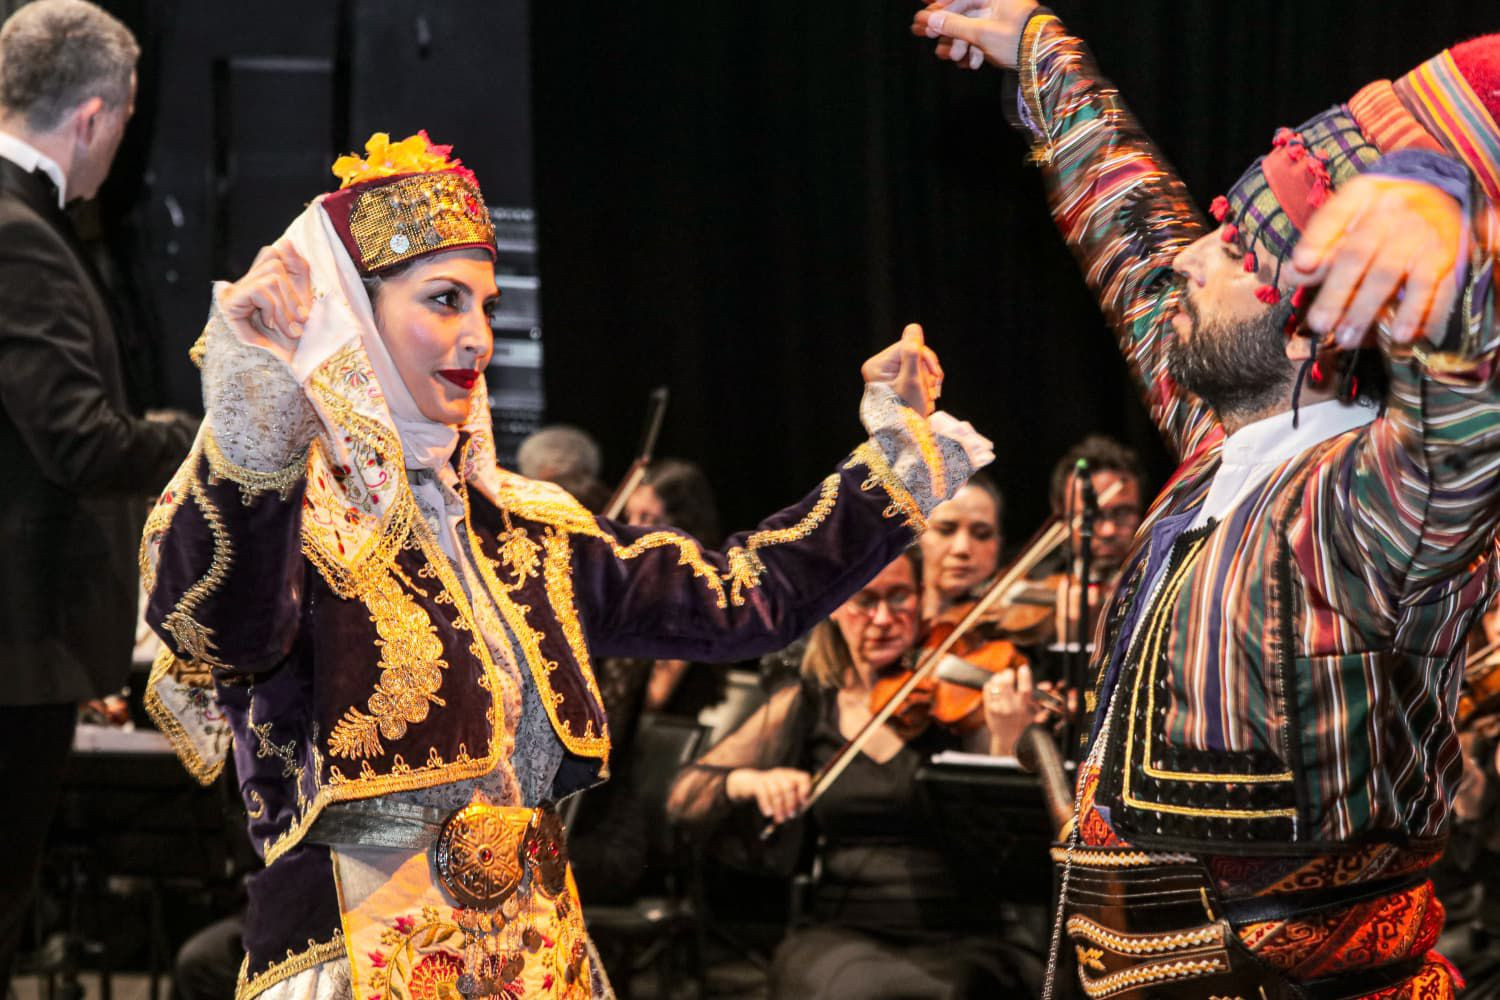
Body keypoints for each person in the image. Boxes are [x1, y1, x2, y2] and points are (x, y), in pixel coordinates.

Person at [140, 131, 992, 999]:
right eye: (443, 301)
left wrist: (893, 461)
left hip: (539, 965)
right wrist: (255, 430)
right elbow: (223, 630)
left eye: (486, 306)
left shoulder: (530, 529)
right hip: (355, 966)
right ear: (353, 314)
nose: (477, 337)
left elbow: (745, 600)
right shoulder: (284, 510)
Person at [916, 5, 1499, 997]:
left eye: (1231, 249)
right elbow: (1139, 240)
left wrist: (1438, 249)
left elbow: (1469, 421)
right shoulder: (1228, 444)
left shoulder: (1372, 512)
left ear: (1313, 318)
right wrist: (1045, 59)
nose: (1192, 255)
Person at [0, 1, 195, 991]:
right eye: (123, 121)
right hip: (16, 648)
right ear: (93, 116)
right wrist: (209, 435)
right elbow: (79, 440)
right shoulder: (19, 235)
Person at [666, 550, 1046, 998]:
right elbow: (684, 796)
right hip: (843, 933)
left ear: (922, 598)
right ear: (834, 606)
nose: (882, 619)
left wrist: (1007, 738)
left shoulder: (960, 703)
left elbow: (1006, 838)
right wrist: (749, 782)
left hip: (964, 934)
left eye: (899, 597)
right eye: (865, 601)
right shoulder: (809, 703)